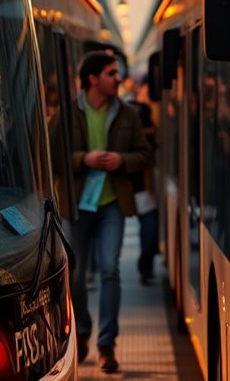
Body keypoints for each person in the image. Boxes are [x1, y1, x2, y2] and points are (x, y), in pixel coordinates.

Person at [64, 51, 152, 372]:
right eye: (112, 73)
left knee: (110, 270)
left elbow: (144, 154)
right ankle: (83, 329)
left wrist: (122, 161)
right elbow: (47, 152)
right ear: (93, 79)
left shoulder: (128, 114)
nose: (119, 79)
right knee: (74, 273)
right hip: (76, 206)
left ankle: (106, 344)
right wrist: (82, 160)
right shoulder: (67, 111)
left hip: (112, 203)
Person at [130, 78, 159, 285]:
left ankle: (145, 269)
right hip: (120, 186)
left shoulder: (145, 114)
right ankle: (145, 268)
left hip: (142, 188)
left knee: (149, 230)